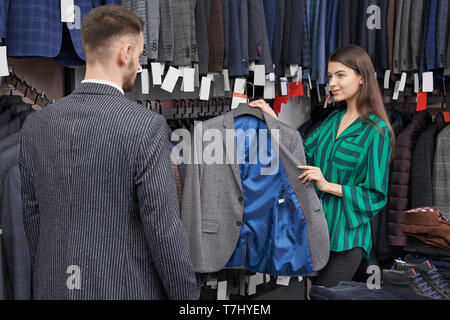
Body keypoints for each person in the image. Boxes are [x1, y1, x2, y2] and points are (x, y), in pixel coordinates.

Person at [18, 5, 199, 299]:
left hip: (54, 287)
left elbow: (34, 219)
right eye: (139, 55)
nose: (139, 66)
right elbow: (164, 231)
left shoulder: (36, 125)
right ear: (125, 53)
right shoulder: (145, 126)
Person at [249, 45, 395, 288]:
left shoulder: (376, 132)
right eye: (330, 76)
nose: (332, 83)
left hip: (347, 240)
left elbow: (375, 195)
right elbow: (301, 154)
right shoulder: (332, 120)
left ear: (361, 78)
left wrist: (327, 185)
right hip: (315, 235)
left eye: (340, 75)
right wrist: (273, 121)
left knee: (323, 296)